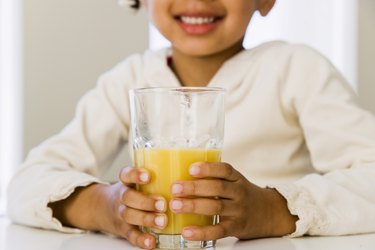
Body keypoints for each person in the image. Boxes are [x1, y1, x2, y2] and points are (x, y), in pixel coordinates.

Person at [7, 0, 375, 249]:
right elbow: (26, 182)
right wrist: (104, 206)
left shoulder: (296, 69)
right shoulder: (130, 79)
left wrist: (273, 209)